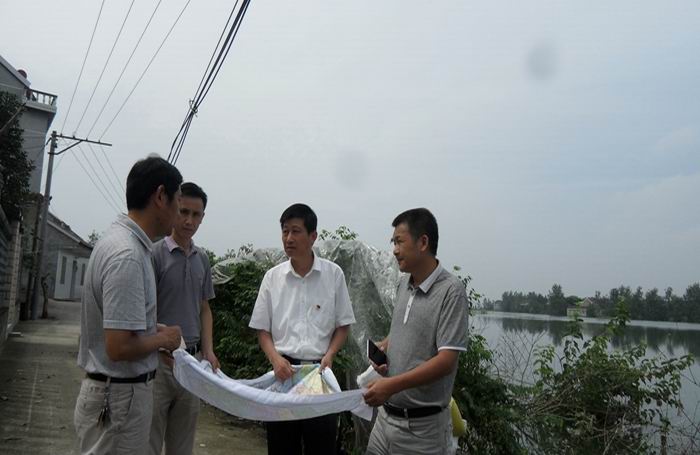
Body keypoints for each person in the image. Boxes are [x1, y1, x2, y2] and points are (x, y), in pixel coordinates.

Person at [74, 156, 184, 455]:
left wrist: (150, 329)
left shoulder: (121, 243)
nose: (179, 213)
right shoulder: (128, 256)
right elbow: (119, 347)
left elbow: (118, 327)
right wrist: (164, 339)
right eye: (177, 201)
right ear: (160, 196)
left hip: (116, 396)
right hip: (119, 399)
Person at [249, 203, 356, 455]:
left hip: (318, 375)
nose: (289, 238)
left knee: (321, 446)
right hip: (283, 376)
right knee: (282, 446)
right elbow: (262, 330)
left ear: (313, 236)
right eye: (285, 231)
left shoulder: (333, 275)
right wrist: (275, 359)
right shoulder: (273, 278)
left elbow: (343, 325)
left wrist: (330, 355)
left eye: (296, 231)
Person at [363, 208, 469, 455]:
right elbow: (404, 330)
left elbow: (446, 361)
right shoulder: (404, 284)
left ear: (423, 242)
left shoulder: (451, 291)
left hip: (422, 432)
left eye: (399, 242)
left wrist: (391, 386)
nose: (394, 250)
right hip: (384, 420)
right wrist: (385, 347)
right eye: (393, 242)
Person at [149, 182, 217, 455]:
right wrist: (158, 345)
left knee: (182, 445)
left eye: (196, 215)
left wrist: (208, 352)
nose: (189, 221)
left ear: (202, 217)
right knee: (149, 442)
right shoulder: (154, 254)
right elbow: (144, 311)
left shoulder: (202, 259)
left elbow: (204, 308)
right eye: (184, 212)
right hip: (157, 364)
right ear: (173, 209)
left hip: (192, 365)